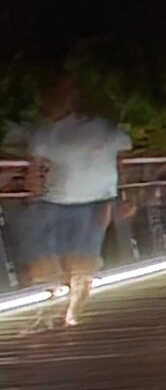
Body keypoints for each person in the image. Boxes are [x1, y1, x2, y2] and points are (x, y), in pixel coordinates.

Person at [8, 78, 133, 331]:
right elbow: (36, 168)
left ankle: (72, 316)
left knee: (82, 264)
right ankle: (45, 315)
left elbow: (122, 164)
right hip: (53, 202)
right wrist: (32, 194)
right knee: (42, 263)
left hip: (94, 202)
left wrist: (123, 197)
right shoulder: (44, 132)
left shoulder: (103, 127)